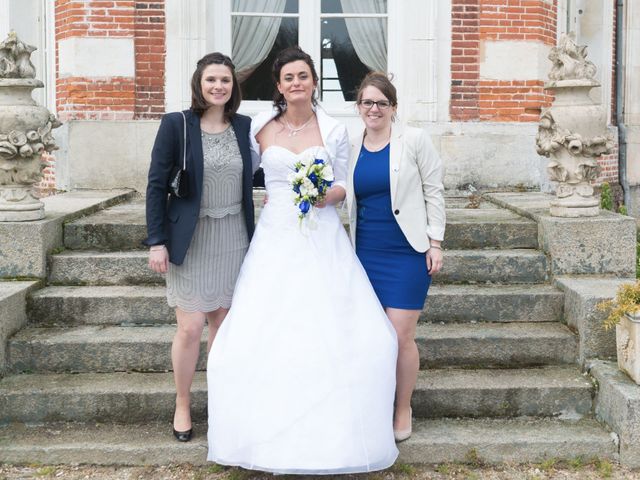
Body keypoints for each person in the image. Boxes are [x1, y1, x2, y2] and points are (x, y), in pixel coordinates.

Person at [207, 47, 399, 474]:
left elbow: (344, 184)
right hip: (275, 236)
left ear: (314, 83)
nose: (297, 83)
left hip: (322, 234)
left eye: (304, 76)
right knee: (269, 327)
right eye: (289, 77)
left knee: (333, 327)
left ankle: (336, 434)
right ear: (278, 86)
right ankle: (262, 431)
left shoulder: (333, 130)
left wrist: (325, 194)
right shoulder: (260, 127)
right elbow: (241, 175)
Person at [143, 52, 258, 442]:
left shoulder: (244, 126)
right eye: (211, 80)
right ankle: (182, 403)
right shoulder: (177, 125)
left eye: (225, 80)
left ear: (233, 86)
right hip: (190, 239)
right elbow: (157, 184)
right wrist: (157, 241)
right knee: (191, 328)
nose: (218, 87)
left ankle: (223, 404)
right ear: (199, 83)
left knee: (223, 329)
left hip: (233, 238)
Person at [346, 72, 446, 442]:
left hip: (406, 252)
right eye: (367, 103)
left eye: (381, 103)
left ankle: (402, 407)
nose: (374, 109)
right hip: (365, 254)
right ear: (358, 108)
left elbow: (434, 191)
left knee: (400, 335)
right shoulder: (351, 145)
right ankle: (373, 406)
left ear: (394, 108)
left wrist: (435, 242)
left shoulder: (414, 140)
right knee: (371, 336)